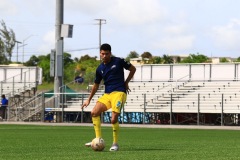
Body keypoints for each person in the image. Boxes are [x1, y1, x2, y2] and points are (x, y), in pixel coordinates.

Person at [81, 43, 136, 151]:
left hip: (119, 93)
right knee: (94, 112)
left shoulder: (119, 61)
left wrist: (126, 82)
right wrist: (88, 99)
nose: (105, 56)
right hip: (107, 94)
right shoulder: (100, 68)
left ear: (110, 53)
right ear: (100, 54)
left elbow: (133, 69)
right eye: (102, 54)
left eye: (107, 54)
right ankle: (98, 139)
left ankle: (115, 144)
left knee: (113, 119)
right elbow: (96, 85)